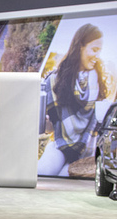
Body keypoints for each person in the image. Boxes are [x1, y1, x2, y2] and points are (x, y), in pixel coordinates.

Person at [38, 24, 110, 176]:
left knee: (64, 175)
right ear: (80, 47)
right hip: (60, 144)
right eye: (95, 50)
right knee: (44, 172)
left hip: (88, 148)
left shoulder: (99, 81)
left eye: (100, 51)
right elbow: (50, 126)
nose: (97, 56)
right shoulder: (55, 80)